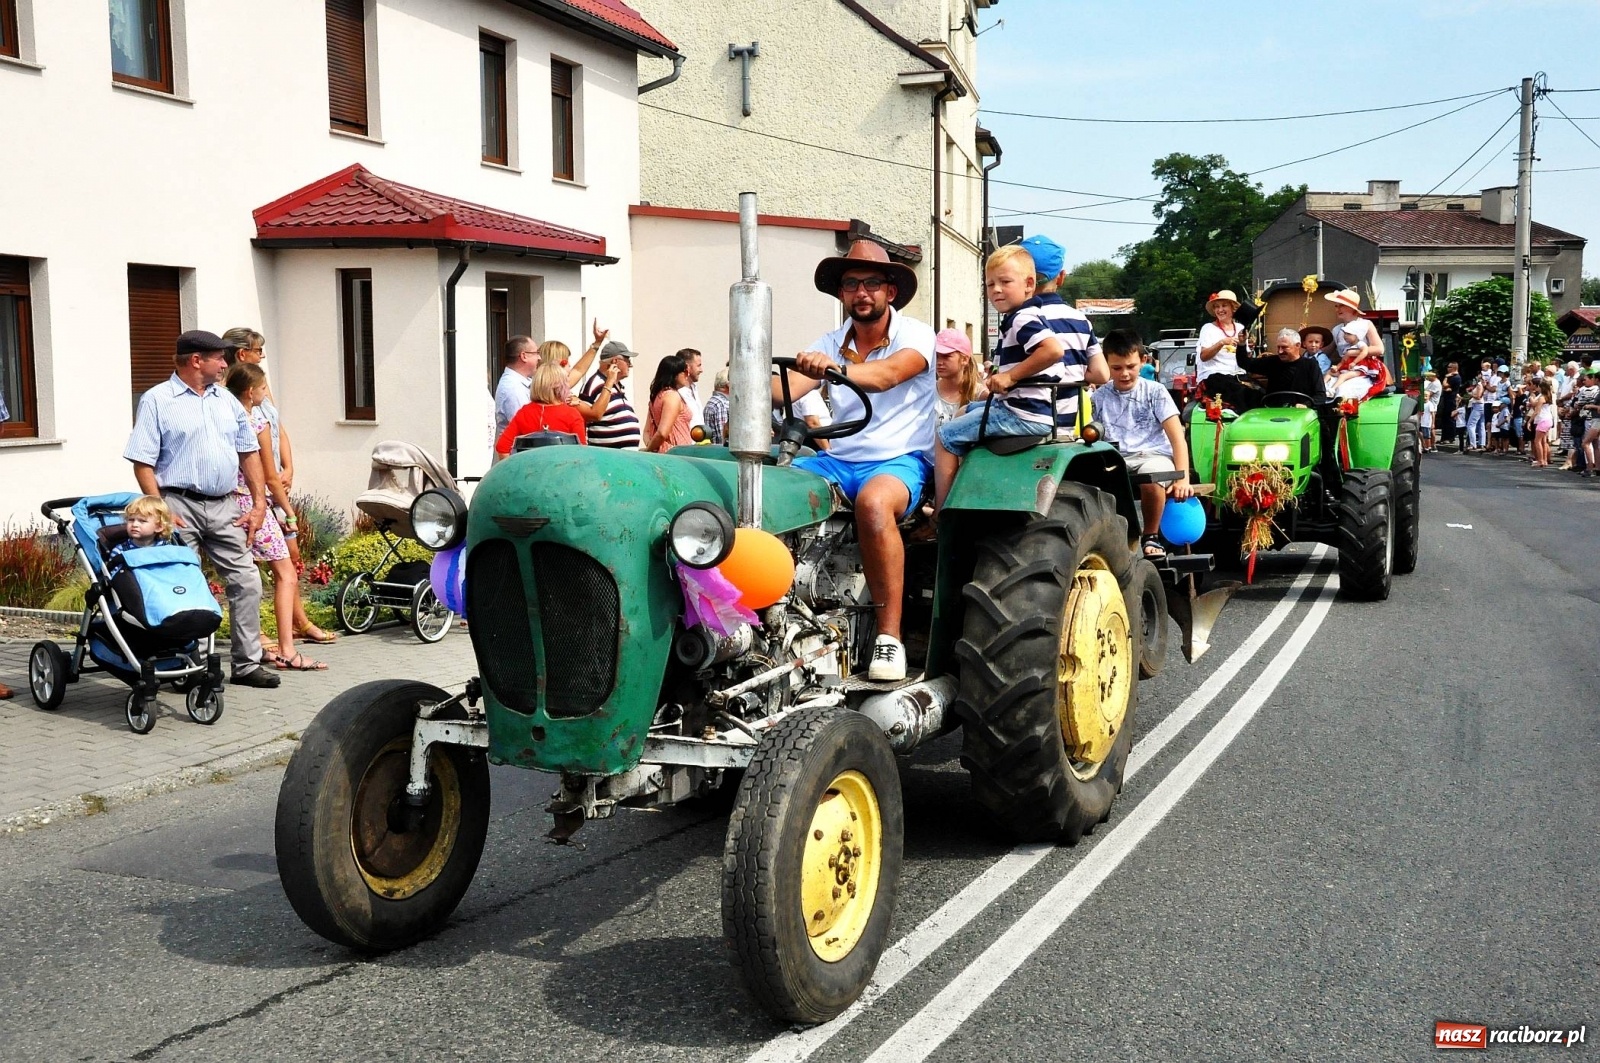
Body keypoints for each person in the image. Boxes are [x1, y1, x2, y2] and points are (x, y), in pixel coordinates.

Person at [774, 239, 936, 682]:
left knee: (873, 502)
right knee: (767, 490)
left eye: (870, 283)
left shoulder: (917, 335)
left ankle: (889, 637)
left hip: (900, 460)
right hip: (839, 459)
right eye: (851, 284)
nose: (861, 293)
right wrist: (749, 374)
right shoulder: (830, 341)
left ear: (890, 291)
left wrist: (828, 370)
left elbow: (886, 376)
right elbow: (781, 389)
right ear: (841, 294)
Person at [123, 330, 280, 688]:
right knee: (181, 585)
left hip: (225, 506)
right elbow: (142, 462)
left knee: (247, 581)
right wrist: (160, 509)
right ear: (197, 361)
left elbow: (248, 453)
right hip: (178, 505)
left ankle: (246, 665)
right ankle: (186, 665)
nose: (226, 364)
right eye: (219, 358)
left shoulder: (225, 400)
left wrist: (258, 505)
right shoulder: (157, 400)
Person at [934, 240, 1108, 513]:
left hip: (1025, 413)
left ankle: (942, 514)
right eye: (990, 285)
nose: (996, 290)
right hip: (1056, 414)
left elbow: (1052, 350)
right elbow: (1100, 373)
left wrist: (1011, 377)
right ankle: (966, 486)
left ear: (1029, 283)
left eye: (1004, 282)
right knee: (966, 411)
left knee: (945, 436)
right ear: (1059, 277)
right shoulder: (1066, 318)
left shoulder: (1022, 318)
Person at [222, 327, 337, 645]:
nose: (263, 356)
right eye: (259, 351)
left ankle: (300, 622)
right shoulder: (231, 392)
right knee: (251, 564)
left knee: (288, 555)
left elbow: (277, 426)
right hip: (253, 487)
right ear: (243, 353)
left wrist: (289, 466)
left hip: (274, 482)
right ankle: (258, 630)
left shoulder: (259, 384)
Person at [1091, 331, 1193, 558]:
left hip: (1152, 454)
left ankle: (1151, 536)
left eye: (1130, 366)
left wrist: (1182, 477)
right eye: (1116, 368)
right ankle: (1110, 539)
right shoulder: (1099, 397)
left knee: (1151, 477)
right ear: (1106, 364)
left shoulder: (1155, 392)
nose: (1124, 374)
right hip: (1116, 457)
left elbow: (1177, 436)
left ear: (1143, 361)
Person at [495, 363, 588, 454]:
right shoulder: (572, 414)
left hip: (530, 467)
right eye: (566, 382)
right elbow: (582, 452)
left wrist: (514, 469)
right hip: (563, 467)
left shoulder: (525, 412)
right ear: (559, 386)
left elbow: (502, 447)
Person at [579, 341, 641, 449]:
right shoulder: (594, 384)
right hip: (608, 457)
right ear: (615, 361)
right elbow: (585, 418)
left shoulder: (616, 386)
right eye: (627, 360)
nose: (630, 365)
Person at [1196, 289, 1252, 409]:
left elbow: (1245, 360)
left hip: (1237, 376)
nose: (1220, 310)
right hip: (1214, 376)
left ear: (1233, 308)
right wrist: (1221, 343)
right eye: (1216, 307)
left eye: (1224, 306)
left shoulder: (1240, 328)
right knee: (1239, 393)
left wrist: (1242, 345)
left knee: (1257, 393)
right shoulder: (1208, 328)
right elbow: (1203, 356)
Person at [1239, 328, 1328, 403]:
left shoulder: (1311, 365)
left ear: (1298, 345)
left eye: (1284, 347)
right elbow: (1245, 363)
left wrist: (1306, 405)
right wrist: (1242, 344)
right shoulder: (1272, 362)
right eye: (1278, 347)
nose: (1280, 351)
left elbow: (1320, 395)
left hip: (1300, 415)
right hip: (1273, 411)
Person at [933, 328, 986, 426]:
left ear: (964, 359)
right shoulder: (928, 391)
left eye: (946, 356)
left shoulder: (981, 395)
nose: (939, 362)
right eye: (936, 356)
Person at [643, 355, 694, 453]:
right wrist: (649, 450)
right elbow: (662, 432)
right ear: (674, 374)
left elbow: (647, 432)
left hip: (663, 454)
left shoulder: (657, 396)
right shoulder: (672, 396)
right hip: (676, 454)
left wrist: (652, 447)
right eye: (685, 372)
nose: (687, 375)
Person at [675, 348, 705, 430]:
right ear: (687, 367)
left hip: (700, 441)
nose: (701, 370)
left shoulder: (694, 389)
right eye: (698, 365)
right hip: (685, 442)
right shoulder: (677, 392)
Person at [703, 369, 731, 445]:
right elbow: (722, 437)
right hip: (722, 454)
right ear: (728, 385)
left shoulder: (712, 401)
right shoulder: (721, 404)